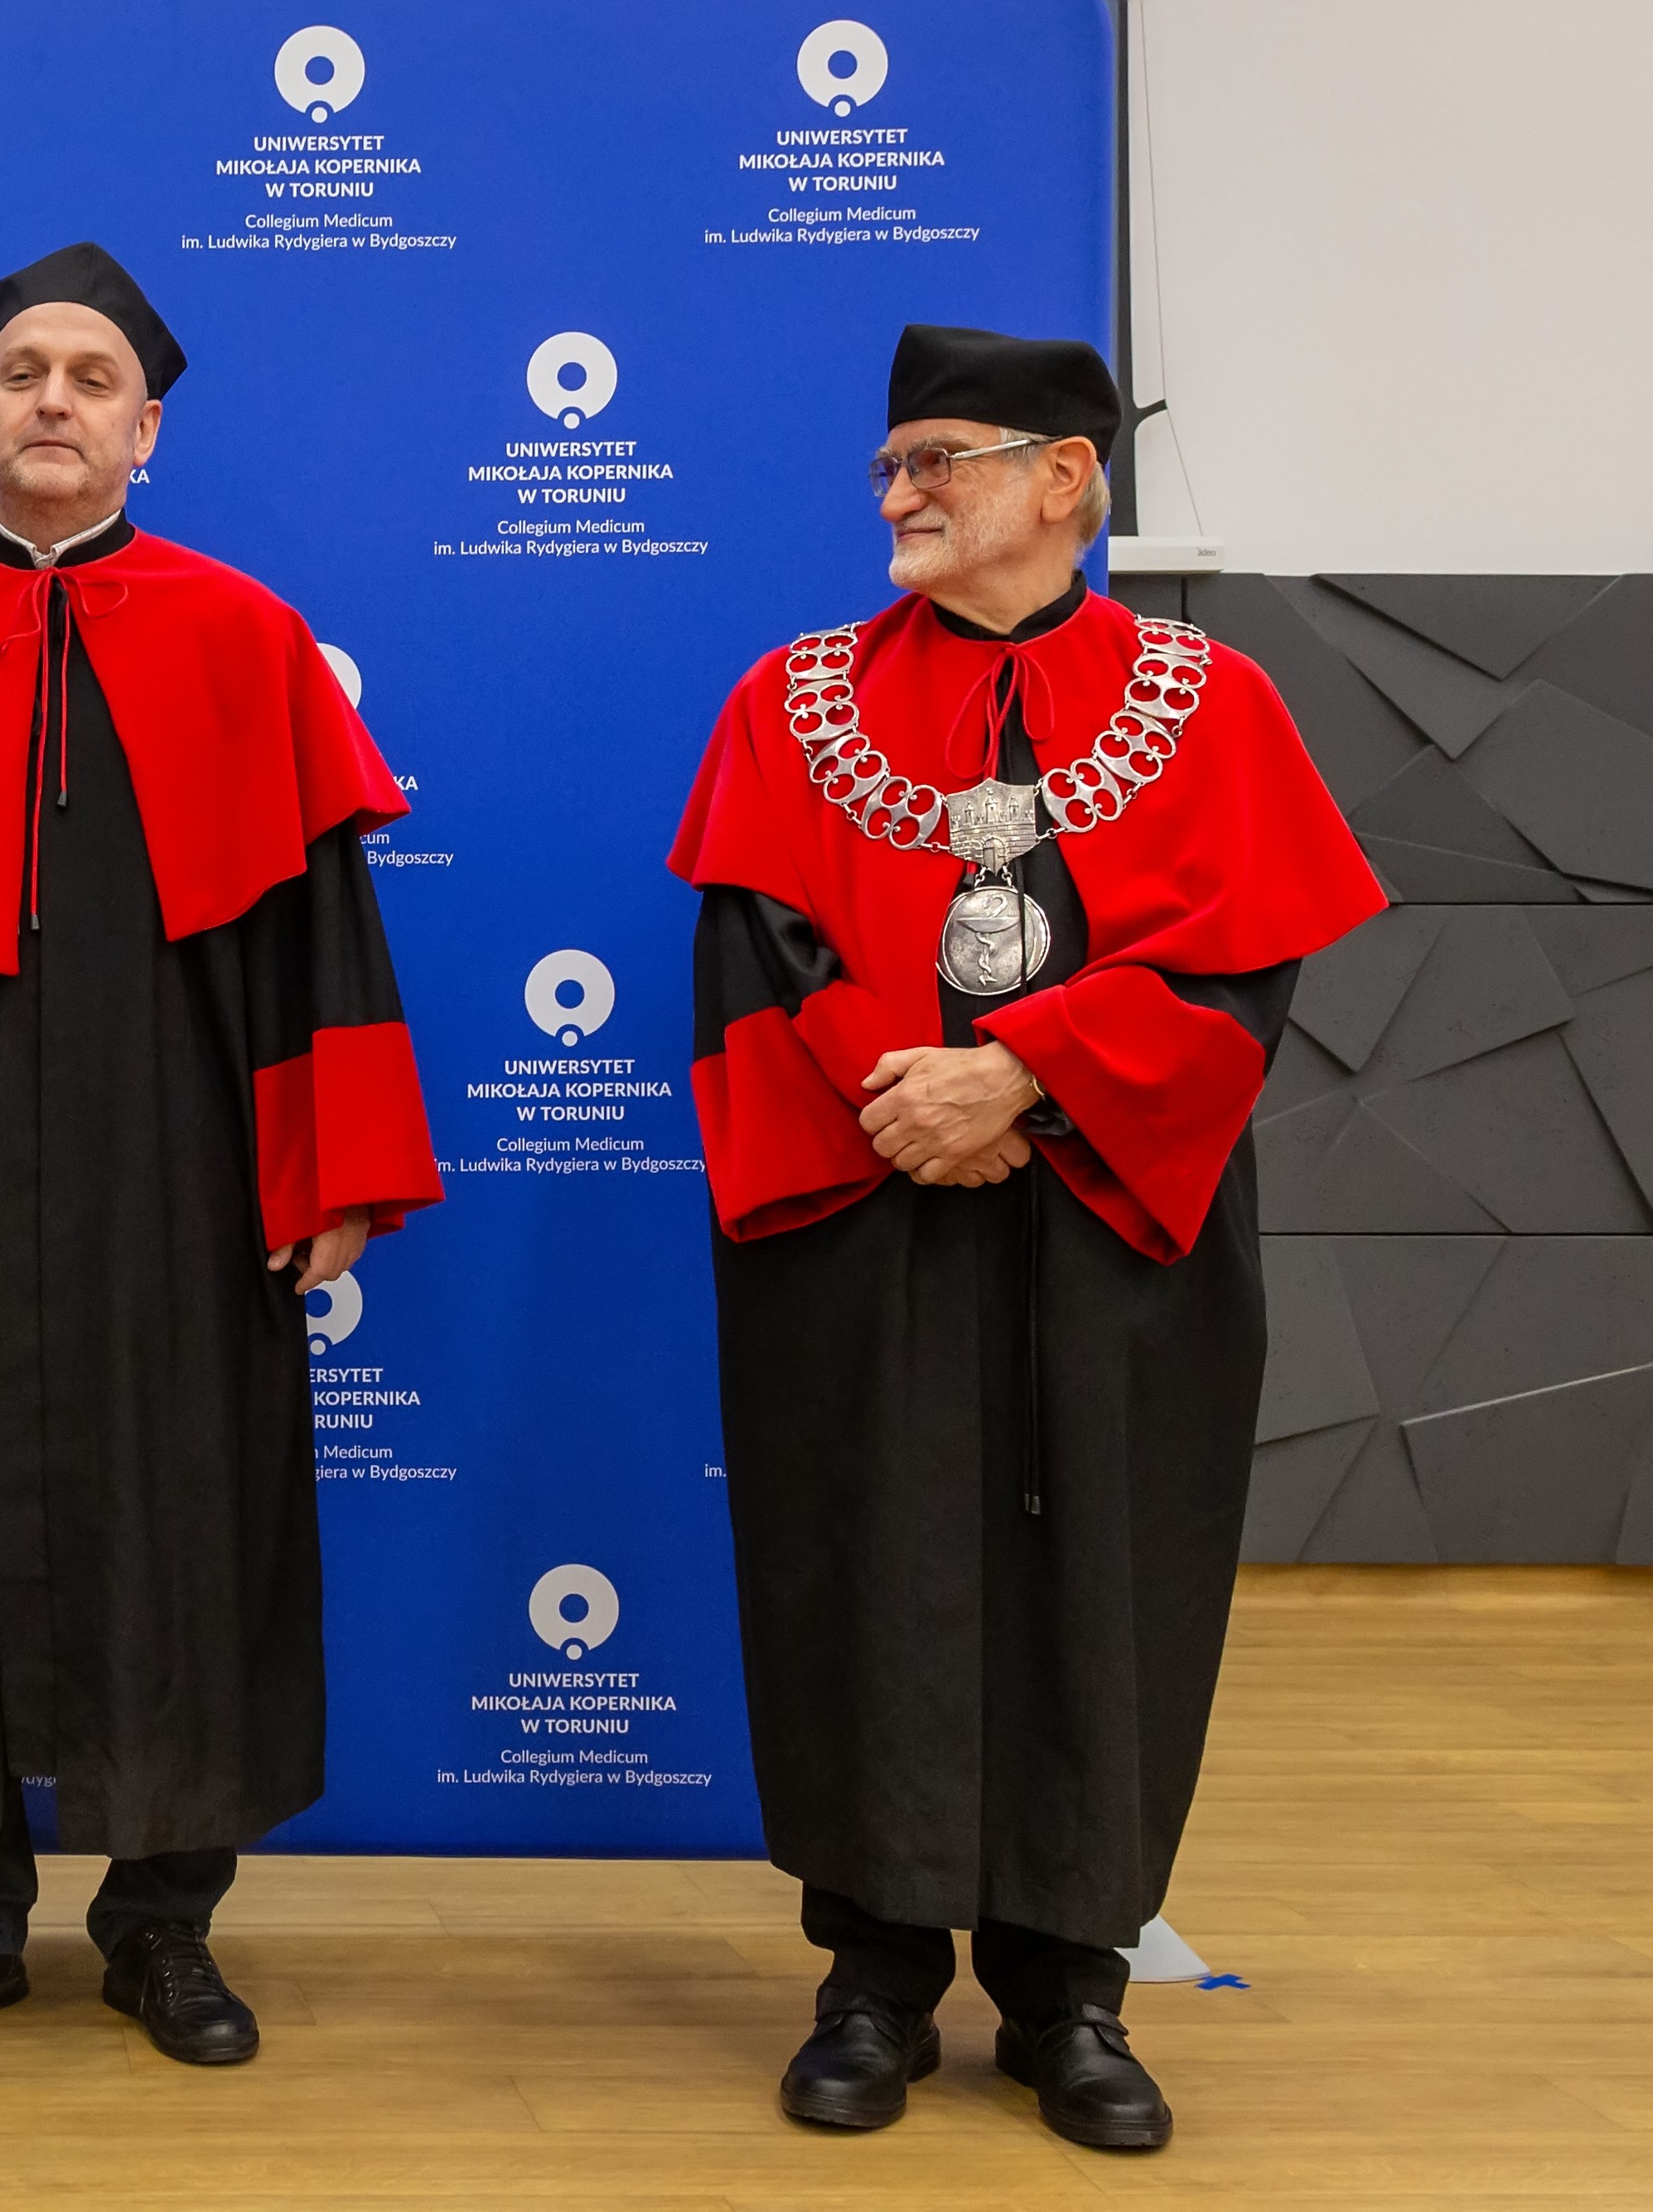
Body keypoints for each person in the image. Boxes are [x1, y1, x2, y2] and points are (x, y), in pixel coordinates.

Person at [670, 325, 1385, 2151]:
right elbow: (761, 949)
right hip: (866, 1211)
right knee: (866, 1559)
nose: (897, 497)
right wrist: (911, 1097)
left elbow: (1240, 967)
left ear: (1067, 476)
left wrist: (1030, 1080)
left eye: (938, 461)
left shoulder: (1214, 703)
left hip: (1115, 1226)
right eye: (889, 466)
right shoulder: (790, 701)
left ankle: (1072, 1991)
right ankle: (873, 1980)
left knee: (1110, 1572)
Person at [0, 243, 441, 2067]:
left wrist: (334, 1170)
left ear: (148, 428)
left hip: (182, 1159)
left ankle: (165, 1923)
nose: (52, 400)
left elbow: (319, 934)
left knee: (186, 1511)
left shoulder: (244, 635)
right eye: (21, 374)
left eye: (91, 378)